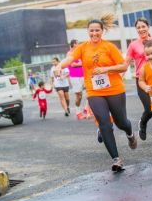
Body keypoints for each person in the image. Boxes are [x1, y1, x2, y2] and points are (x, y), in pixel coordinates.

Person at [54, 14, 137, 172]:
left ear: (102, 31)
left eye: (97, 30)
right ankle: (116, 159)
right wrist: (60, 66)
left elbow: (123, 66)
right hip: (94, 91)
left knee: (121, 122)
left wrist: (106, 69)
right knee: (104, 123)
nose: (94, 33)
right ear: (88, 31)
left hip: (114, 89)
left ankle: (130, 132)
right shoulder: (83, 47)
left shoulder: (109, 47)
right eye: (91, 31)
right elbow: (70, 59)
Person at [125, 17, 152, 143]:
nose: (141, 29)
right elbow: (126, 63)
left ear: (148, 27)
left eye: (143, 26)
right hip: (142, 80)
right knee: (150, 108)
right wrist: (118, 75)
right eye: (138, 27)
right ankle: (143, 123)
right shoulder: (133, 45)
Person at [67, 39, 86, 120]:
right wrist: (81, 63)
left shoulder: (79, 52)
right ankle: (78, 112)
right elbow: (72, 64)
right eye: (78, 43)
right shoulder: (69, 53)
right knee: (79, 96)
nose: (79, 45)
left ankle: (86, 109)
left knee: (90, 92)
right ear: (74, 44)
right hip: (75, 77)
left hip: (83, 75)